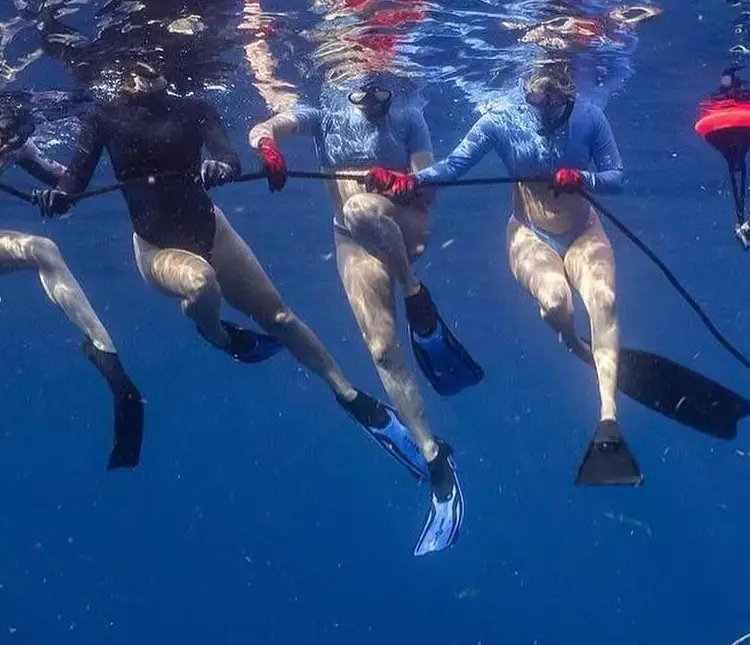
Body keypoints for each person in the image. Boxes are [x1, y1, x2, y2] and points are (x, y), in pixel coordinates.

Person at [34, 61, 446, 549]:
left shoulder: (196, 107)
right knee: (200, 284)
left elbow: (227, 156)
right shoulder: (104, 116)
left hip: (214, 229)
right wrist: (56, 199)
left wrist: (225, 166)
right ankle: (219, 335)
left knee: (280, 318)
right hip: (158, 249)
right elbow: (74, 184)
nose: (154, 73)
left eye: (162, 61)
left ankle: (349, 396)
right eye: (144, 65)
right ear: (126, 70)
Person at [368, 63, 642, 486]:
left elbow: (617, 178)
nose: (548, 110)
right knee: (555, 303)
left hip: (585, 231)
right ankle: (573, 342)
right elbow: (455, 165)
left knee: (602, 299)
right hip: (530, 235)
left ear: (570, 93)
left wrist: (584, 177)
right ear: (525, 93)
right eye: (538, 99)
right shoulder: (501, 120)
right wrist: (409, 181)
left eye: (558, 101)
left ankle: (607, 419)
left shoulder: (589, 117)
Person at [248, 75, 476, 555]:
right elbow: (271, 124)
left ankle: (415, 295)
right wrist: (268, 144)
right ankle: (434, 457)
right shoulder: (325, 114)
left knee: (360, 207)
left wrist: (405, 183)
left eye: (381, 93)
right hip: (351, 236)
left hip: (402, 222)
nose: (373, 101)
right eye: (362, 93)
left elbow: (428, 187)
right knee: (380, 349)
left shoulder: (409, 116)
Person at [0, 91, 143, 468]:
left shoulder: (19, 146)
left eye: (14, 133)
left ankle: (111, 365)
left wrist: (59, 196)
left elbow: (67, 182)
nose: (8, 141)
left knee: (42, 249)